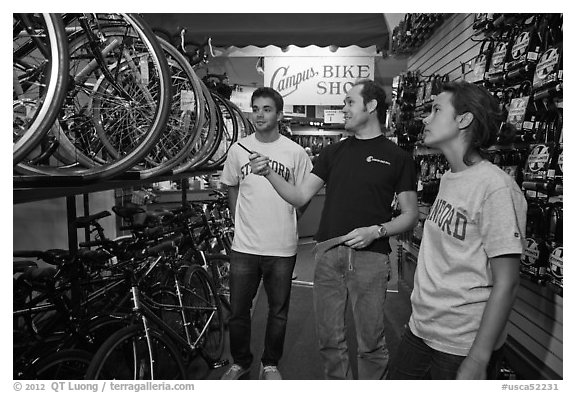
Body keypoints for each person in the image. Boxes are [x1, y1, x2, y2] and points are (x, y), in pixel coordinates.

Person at [249, 79, 419, 379]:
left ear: (371, 106)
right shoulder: (334, 152)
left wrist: (376, 231)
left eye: (350, 102)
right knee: (329, 341)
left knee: (371, 343)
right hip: (328, 255)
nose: (343, 108)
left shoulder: (399, 157)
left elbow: (410, 216)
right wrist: (269, 174)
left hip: (371, 258)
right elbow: (300, 196)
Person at [387, 81, 527, 380]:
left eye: (437, 110)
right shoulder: (451, 177)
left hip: (462, 344)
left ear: (464, 119)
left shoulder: (496, 188)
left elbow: (507, 282)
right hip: (422, 328)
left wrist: (478, 359)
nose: (426, 118)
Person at [219, 87, 313, 380]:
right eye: (256, 108)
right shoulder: (238, 150)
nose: (259, 114)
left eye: (267, 109)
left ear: (280, 115)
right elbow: (231, 184)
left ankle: (270, 363)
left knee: (278, 311)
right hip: (244, 246)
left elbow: (304, 193)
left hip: (282, 247)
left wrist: (293, 215)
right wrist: (237, 215)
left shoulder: (295, 152)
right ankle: (241, 361)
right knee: (237, 311)